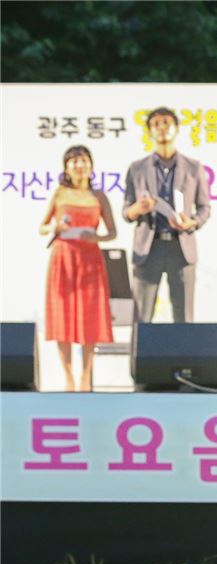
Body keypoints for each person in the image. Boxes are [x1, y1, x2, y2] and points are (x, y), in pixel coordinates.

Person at [40, 145, 118, 391]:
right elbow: (42, 227)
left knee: (90, 316)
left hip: (90, 260)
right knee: (62, 316)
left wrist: (97, 238)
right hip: (63, 258)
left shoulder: (99, 196)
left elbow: (113, 232)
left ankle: (85, 376)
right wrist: (55, 228)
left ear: (91, 166)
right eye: (74, 162)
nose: (79, 166)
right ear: (66, 168)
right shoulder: (60, 193)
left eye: (83, 161)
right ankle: (68, 378)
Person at [123, 107, 211, 323]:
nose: (161, 128)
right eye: (156, 124)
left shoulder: (193, 167)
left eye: (166, 123)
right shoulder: (137, 168)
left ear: (177, 128)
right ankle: (141, 347)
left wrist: (192, 222)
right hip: (148, 247)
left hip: (181, 246)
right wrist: (138, 208)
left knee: (184, 318)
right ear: (149, 131)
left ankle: (184, 348)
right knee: (141, 318)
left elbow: (205, 208)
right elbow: (126, 211)